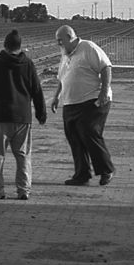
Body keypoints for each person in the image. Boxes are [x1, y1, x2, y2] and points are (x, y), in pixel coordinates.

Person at [0, 29, 47, 200]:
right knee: (23, 155)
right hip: (23, 117)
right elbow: (36, 90)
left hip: (0, 116)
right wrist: (41, 112)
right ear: (19, 46)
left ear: (5, 45)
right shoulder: (28, 64)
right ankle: (24, 189)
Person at [50, 24, 115, 186]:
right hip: (71, 102)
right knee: (74, 137)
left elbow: (106, 67)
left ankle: (106, 169)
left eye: (60, 41)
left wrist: (104, 91)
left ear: (70, 38)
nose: (59, 45)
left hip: (93, 100)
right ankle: (82, 174)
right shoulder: (65, 54)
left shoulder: (88, 48)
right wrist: (56, 97)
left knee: (89, 132)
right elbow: (62, 78)